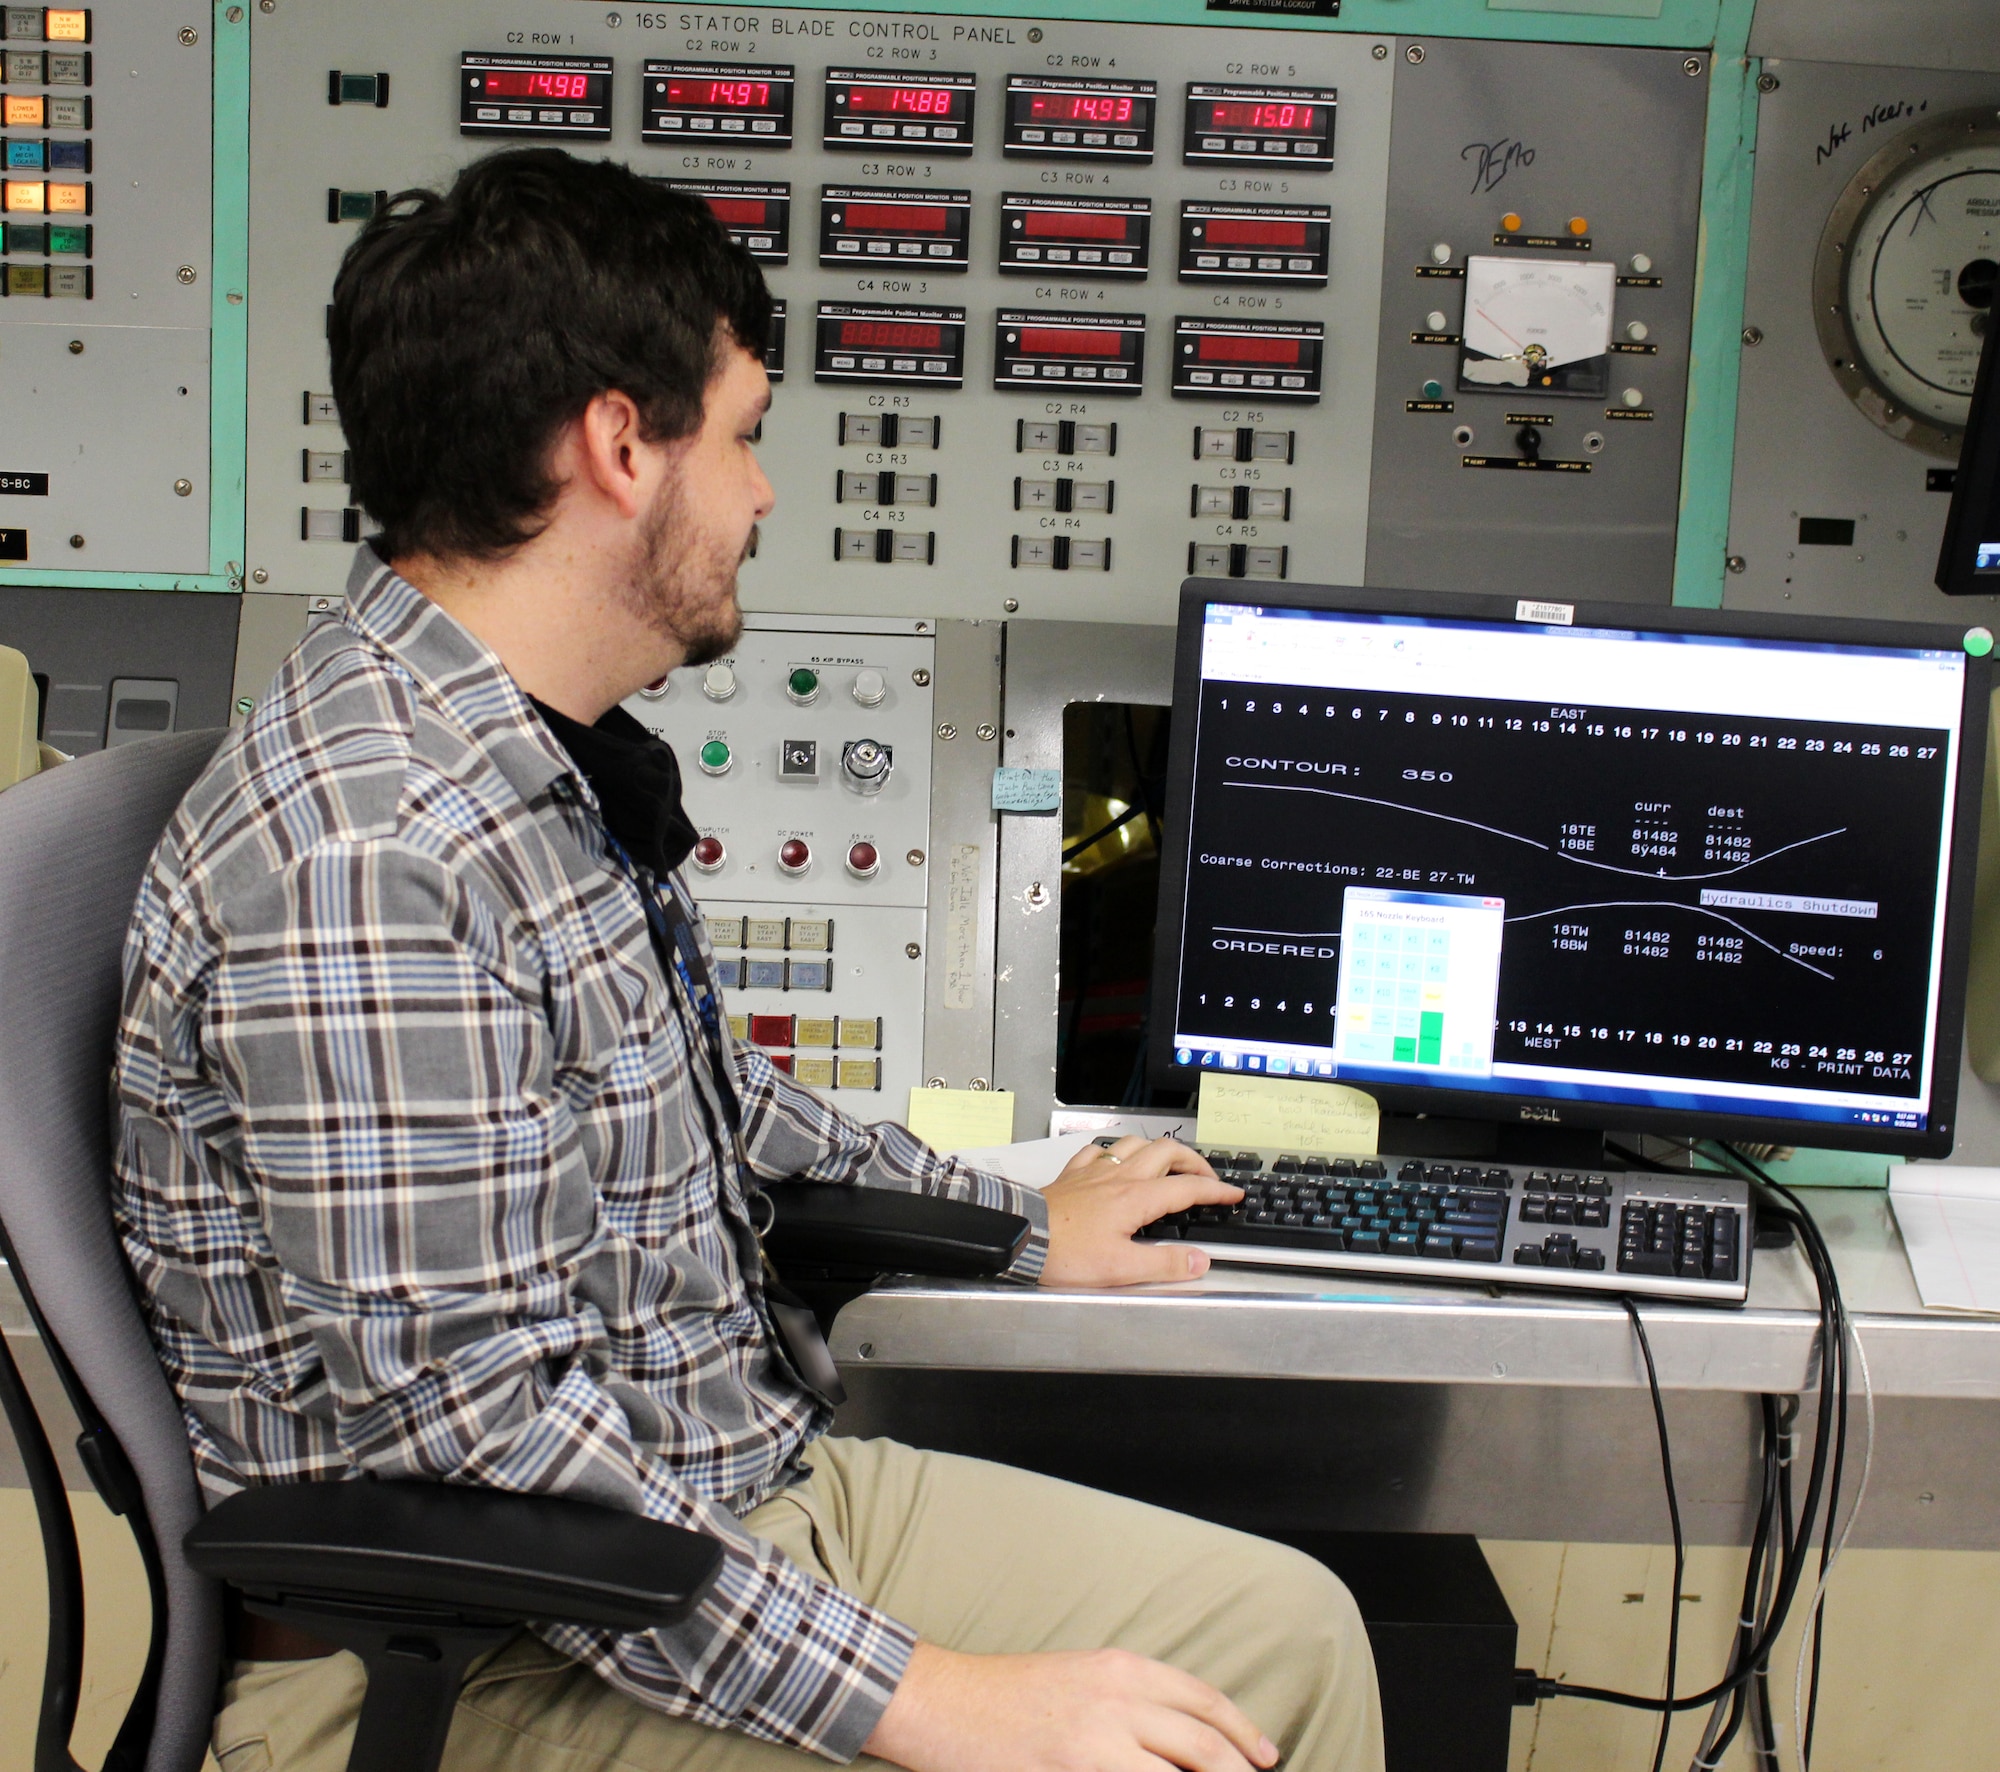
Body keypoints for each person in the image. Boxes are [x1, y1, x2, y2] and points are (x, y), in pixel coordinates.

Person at [112, 148, 1383, 1772]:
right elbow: (475, 1439)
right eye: (748, 431)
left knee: (1291, 1640)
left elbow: (721, 1111)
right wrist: (932, 1702)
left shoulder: (522, 762)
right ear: (621, 446)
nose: (768, 491)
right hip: (481, 1651)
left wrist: (1017, 1226)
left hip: (717, 1495)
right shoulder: (376, 853)